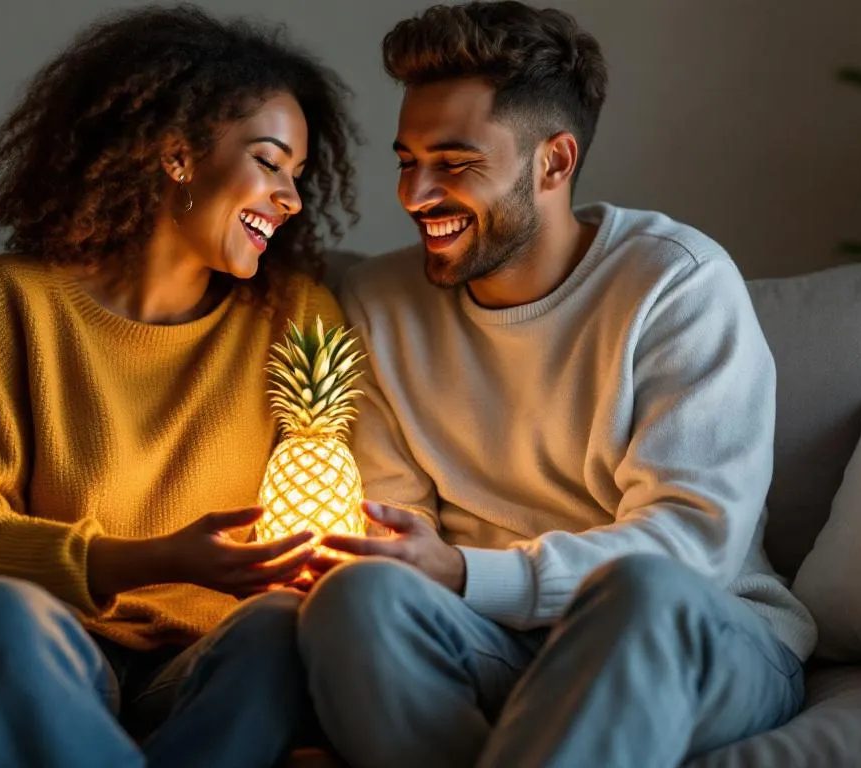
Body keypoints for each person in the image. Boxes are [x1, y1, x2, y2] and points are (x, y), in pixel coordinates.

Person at [296, 3, 817, 767]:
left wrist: (473, 572)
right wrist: (411, 561)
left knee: (640, 592)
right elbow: (398, 534)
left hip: (703, 635)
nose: (416, 193)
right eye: (408, 160)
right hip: (491, 640)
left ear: (553, 162)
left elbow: (691, 549)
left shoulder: (675, 283)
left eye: (456, 162)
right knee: (353, 597)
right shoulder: (379, 303)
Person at [0, 7, 356, 768]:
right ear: (178, 155)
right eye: (269, 161)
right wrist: (154, 559)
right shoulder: (15, 299)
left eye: (297, 175)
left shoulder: (297, 318)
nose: (289, 197)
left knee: (281, 630)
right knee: (5, 614)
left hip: (184, 672)